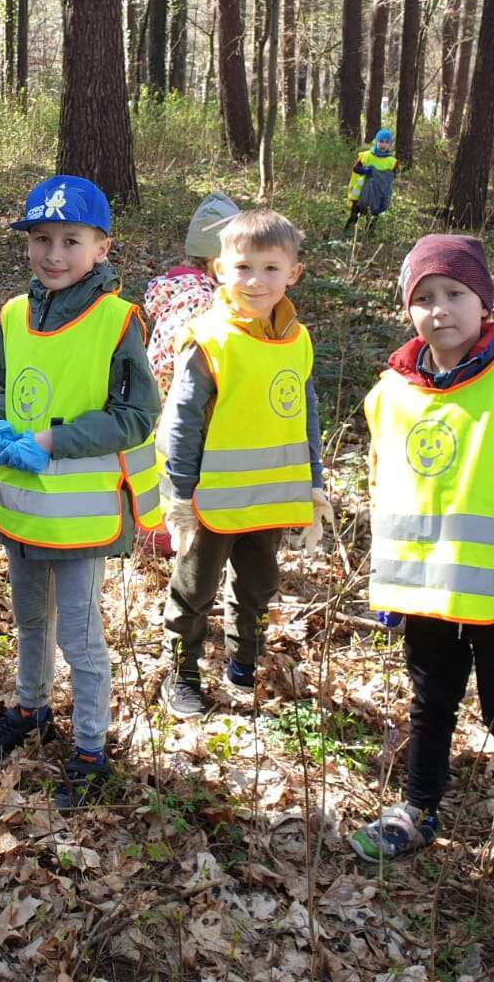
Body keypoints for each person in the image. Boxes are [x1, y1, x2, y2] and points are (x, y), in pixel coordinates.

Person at [348, 234, 494, 909]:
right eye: (423, 297)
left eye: (455, 293)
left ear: (485, 303)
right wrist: (388, 581)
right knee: (430, 703)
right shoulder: (390, 393)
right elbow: (385, 493)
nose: (439, 309)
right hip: (426, 594)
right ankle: (418, 811)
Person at [0, 174, 163, 808]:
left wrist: (52, 442)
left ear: (102, 248)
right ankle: (31, 709)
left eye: (71, 241)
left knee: (79, 637)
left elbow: (136, 416)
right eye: (41, 239)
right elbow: (6, 392)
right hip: (22, 510)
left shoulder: (116, 320)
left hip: (80, 517)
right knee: (30, 621)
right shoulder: (12, 315)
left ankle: (89, 748)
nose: (53, 254)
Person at [157, 210, 328, 717]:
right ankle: (181, 674)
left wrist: (313, 483)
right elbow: (183, 420)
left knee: (258, 587)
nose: (256, 280)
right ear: (219, 270)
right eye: (243, 267)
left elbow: (306, 414)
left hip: (269, 499)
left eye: (271, 268)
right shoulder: (209, 338)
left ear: (293, 273)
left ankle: (243, 663)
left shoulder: (297, 339)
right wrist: (181, 494)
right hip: (209, 501)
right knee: (194, 590)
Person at [137, 193, 240, 558]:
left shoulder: (179, 289)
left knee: (162, 468)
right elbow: (178, 356)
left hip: (162, 401)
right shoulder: (201, 300)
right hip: (177, 402)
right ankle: (164, 536)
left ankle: (159, 530)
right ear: (217, 261)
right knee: (174, 469)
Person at [345, 128, 396, 233]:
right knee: (354, 216)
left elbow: (392, 177)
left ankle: (368, 236)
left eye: (387, 142)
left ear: (390, 145)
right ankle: (346, 234)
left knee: (372, 219)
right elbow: (356, 168)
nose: (383, 144)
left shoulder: (392, 161)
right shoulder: (365, 155)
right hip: (360, 193)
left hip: (378, 194)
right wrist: (363, 170)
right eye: (381, 141)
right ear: (376, 141)